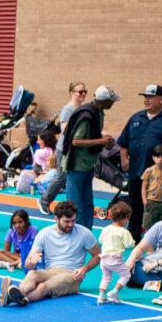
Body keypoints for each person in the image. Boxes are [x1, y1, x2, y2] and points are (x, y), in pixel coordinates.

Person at [117, 85, 162, 239]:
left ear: (161, 99)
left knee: (160, 208)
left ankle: (161, 239)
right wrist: (124, 159)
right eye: (145, 97)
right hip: (137, 171)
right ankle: (134, 237)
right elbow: (123, 141)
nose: (146, 100)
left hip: (161, 176)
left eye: (150, 97)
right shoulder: (136, 118)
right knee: (135, 205)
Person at [6, 200, 100, 306]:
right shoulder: (45, 234)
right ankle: (15, 294)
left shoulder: (85, 234)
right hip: (50, 271)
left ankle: (16, 299)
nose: (71, 224)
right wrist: (32, 262)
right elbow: (27, 265)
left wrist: (84, 269)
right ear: (56, 218)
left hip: (72, 274)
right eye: (66, 221)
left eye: (73, 220)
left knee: (42, 287)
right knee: (32, 274)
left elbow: (98, 255)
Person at [62, 85, 119, 230]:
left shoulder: (98, 113)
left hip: (87, 164)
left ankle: (86, 232)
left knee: (87, 204)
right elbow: (75, 141)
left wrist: (103, 140)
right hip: (77, 166)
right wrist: (101, 141)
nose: (113, 103)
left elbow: (91, 135)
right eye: (111, 101)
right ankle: (71, 232)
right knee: (74, 204)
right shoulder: (87, 115)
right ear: (104, 101)